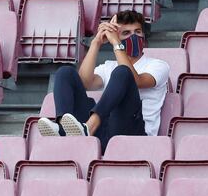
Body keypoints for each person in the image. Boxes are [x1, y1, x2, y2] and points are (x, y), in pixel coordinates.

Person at [37, 10, 170, 152]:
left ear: (144, 36)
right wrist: (96, 42)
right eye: (126, 33)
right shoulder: (108, 66)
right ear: (116, 36)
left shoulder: (158, 65)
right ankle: (63, 128)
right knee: (65, 73)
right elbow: (84, 83)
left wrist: (116, 43)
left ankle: (89, 126)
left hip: (135, 133)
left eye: (137, 32)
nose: (134, 36)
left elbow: (136, 80)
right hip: (106, 130)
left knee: (122, 72)